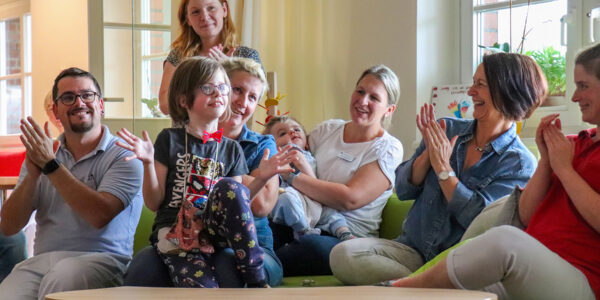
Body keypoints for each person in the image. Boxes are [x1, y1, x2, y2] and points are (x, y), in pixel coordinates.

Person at [391, 44, 600, 300]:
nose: (575, 97)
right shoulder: (572, 144)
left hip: (583, 275)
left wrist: (564, 170)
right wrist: (547, 159)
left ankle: (397, 291)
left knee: (503, 240)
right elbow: (522, 214)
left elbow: (493, 226)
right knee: (464, 292)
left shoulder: (520, 161)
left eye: (583, 86)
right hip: (530, 263)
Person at [329, 52, 546, 285]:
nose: (471, 91)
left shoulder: (519, 163)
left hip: (457, 263)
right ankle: (421, 286)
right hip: (409, 251)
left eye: (480, 84)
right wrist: (426, 157)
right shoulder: (447, 128)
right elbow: (402, 189)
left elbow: (479, 221)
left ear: (506, 91)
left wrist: (444, 170)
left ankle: (413, 285)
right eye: (473, 83)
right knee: (343, 254)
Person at [117, 57, 292, 288]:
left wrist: (261, 177)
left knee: (231, 187)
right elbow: (153, 202)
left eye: (222, 88)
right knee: (205, 289)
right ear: (184, 100)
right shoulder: (169, 139)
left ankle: (255, 278)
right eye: (207, 88)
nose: (218, 94)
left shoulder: (231, 148)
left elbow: (239, 201)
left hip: (214, 230)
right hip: (177, 235)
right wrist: (148, 163)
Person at [0, 67, 144, 299]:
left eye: (87, 95)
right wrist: (34, 175)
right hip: (41, 261)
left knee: (63, 279)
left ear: (101, 104)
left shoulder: (124, 154)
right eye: (68, 98)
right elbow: (8, 226)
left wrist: (50, 166)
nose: (79, 102)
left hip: (103, 260)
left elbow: (99, 214)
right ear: (56, 110)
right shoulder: (43, 154)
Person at [272, 64, 404, 276]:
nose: (363, 101)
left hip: (346, 236)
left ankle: (259, 265)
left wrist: (292, 176)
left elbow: (349, 198)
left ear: (389, 109)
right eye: (360, 91)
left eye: (374, 98)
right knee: (262, 227)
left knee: (310, 246)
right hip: (304, 218)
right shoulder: (328, 129)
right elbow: (295, 153)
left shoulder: (388, 148)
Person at [158, 0, 262, 116]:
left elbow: (250, 103)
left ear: (224, 10)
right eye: (196, 12)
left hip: (229, 133)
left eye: (211, 8)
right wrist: (204, 74)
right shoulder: (178, 55)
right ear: (188, 19)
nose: (204, 16)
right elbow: (165, 106)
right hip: (186, 132)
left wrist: (227, 71)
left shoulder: (247, 56)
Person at [265, 116, 355, 241]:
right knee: (286, 200)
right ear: (273, 145)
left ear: (307, 143)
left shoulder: (309, 156)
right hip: (292, 197)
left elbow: (314, 181)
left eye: (296, 129)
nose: (292, 132)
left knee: (330, 212)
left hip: (313, 199)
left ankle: (344, 232)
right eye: (283, 133)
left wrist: (302, 164)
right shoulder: (277, 158)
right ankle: (303, 230)